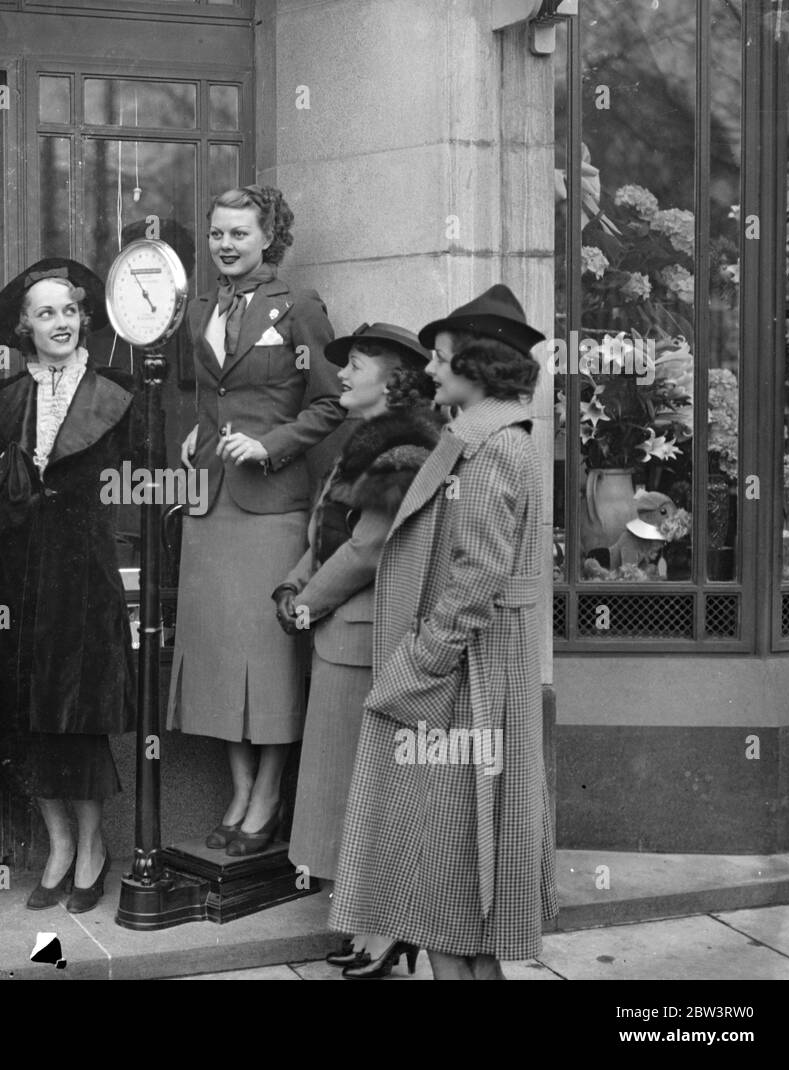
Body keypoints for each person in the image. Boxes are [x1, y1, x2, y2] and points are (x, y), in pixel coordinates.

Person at [329, 284, 558, 981]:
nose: (428, 371)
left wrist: (416, 664)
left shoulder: (489, 449)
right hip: (471, 671)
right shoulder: (493, 436)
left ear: (478, 367)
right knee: (455, 883)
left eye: (440, 358)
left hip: (461, 677)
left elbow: (476, 579)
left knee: (443, 878)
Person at [167, 185, 342, 854]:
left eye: (240, 233)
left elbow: (330, 405)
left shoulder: (300, 307)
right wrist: (197, 433)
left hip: (271, 505)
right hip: (211, 500)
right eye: (217, 233)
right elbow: (208, 394)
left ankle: (268, 798)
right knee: (215, 656)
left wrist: (270, 445)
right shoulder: (200, 306)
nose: (227, 244)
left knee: (267, 661)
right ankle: (238, 794)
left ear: (270, 238)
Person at [0, 257, 137, 914]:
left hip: (84, 571)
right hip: (20, 575)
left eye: (69, 310)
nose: (60, 322)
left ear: (83, 319)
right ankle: (58, 847)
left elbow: (137, 487)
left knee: (80, 716)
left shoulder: (114, 395)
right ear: (25, 327)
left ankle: (92, 850)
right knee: (31, 717)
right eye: (46, 314)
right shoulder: (7, 401)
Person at [275, 323, 440, 969]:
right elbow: (328, 531)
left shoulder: (401, 447)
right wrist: (293, 583)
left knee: (359, 790)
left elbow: (369, 548)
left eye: (358, 364)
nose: (341, 374)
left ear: (395, 378)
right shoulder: (365, 440)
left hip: (363, 635)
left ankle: (383, 927)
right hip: (342, 633)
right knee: (347, 787)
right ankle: (371, 924)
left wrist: (309, 599)